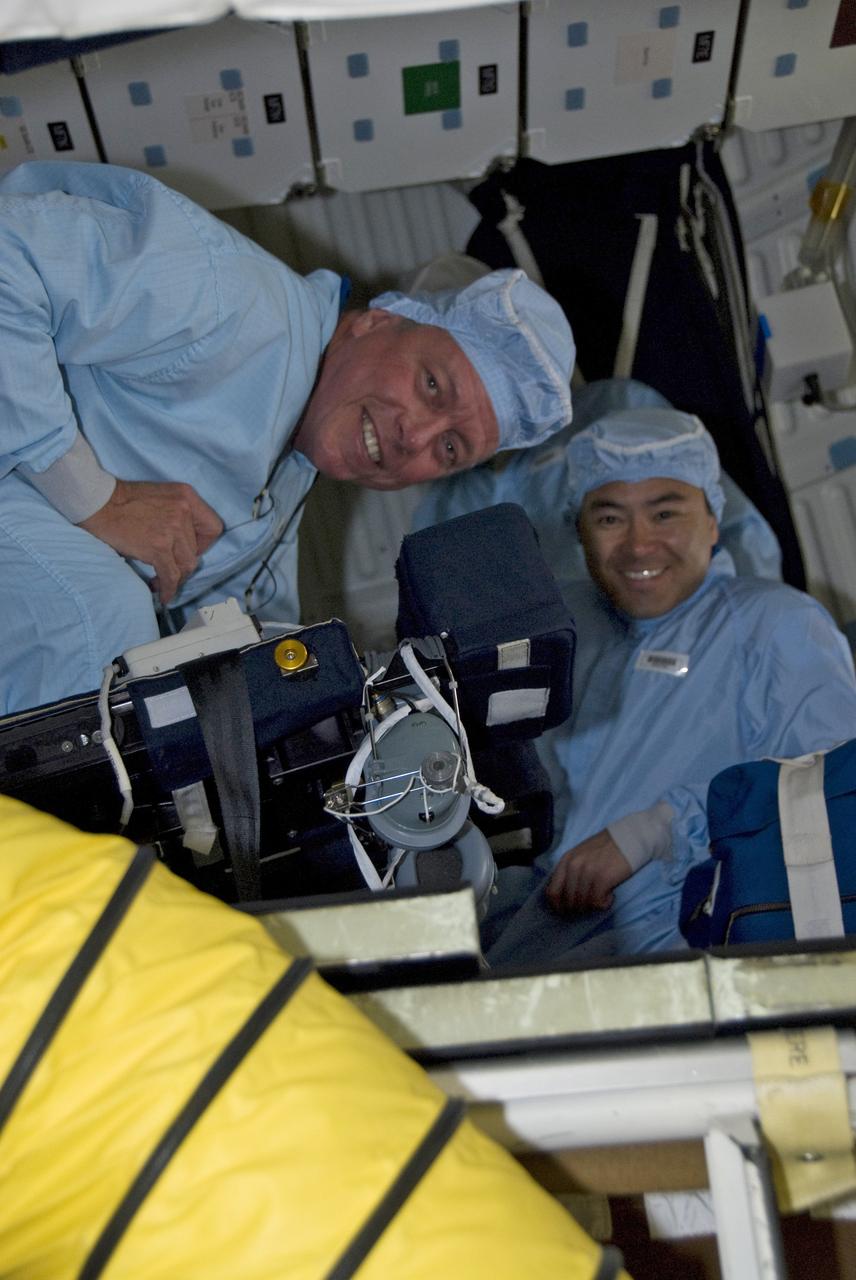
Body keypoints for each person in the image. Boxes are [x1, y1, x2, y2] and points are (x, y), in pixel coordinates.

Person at [0, 161, 575, 715]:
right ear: (377, 321)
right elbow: (8, 251)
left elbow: (248, 628)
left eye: (449, 449)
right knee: (100, 611)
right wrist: (98, 499)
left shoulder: (286, 479)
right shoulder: (227, 296)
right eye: (431, 384)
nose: (416, 435)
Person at [481, 407, 856, 968]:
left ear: (713, 520)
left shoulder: (775, 625)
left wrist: (657, 831)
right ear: (578, 530)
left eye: (665, 513)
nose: (639, 545)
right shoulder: (566, 627)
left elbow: (834, 790)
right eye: (610, 518)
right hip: (536, 927)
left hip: (688, 937)